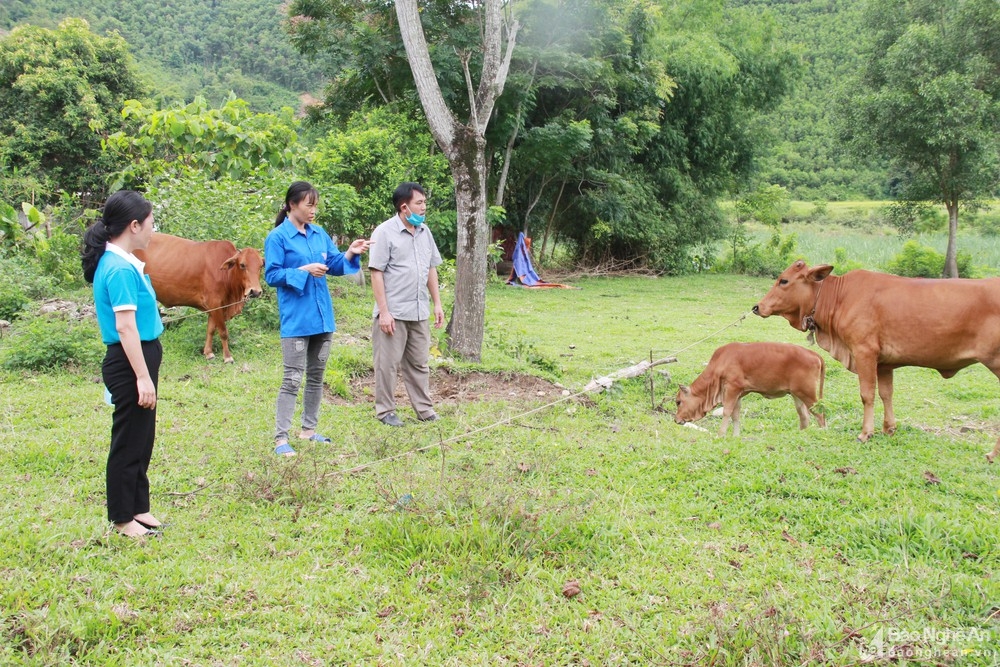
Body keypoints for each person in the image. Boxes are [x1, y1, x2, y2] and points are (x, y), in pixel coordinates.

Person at [81, 190, 165, 538]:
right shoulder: (117, 268)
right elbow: (125, 327)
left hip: (142, 354)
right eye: (150, 222)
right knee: (128, 439)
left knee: (142, 436)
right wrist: (142, 378)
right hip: (130, 360)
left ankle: (139, 507)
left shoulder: (124, 261)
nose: (153, 229)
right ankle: (121, 517)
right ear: (134, 225)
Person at [265, 181, 371, 457]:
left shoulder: (319, 233)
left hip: (322, 319)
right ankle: (281, 438)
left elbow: (335, 264)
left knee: (316, 377)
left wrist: (351, 252)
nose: (314, 210)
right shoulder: (277, 238)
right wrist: (303, 270)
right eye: (309, 204)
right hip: (297, 320)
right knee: (291, 379)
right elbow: (272, 275)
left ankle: (308, 430)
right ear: (292, 205)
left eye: (315, 205)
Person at [368, 182, 444, 427]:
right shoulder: (384, 232)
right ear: (404, 207)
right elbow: (376, 272)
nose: (423, 208)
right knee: (386, 365)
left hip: (419, 310)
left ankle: (424, 409)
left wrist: (437, 304)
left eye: (424, 203)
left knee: (419, 363)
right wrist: (384, 312)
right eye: (419, 203)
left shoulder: (425, 232)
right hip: (394, 312)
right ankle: (386, 411)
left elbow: (431, 268)